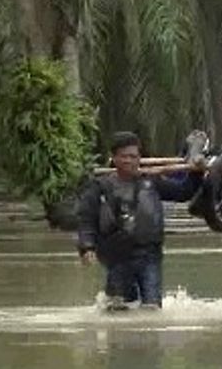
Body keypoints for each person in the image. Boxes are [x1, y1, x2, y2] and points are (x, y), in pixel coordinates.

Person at [76, 132, 203, 310]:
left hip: (149, 254)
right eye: (124, 156)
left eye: (133, 156)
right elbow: (86, 218)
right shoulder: (100, 187)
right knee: (117, 308)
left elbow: (183, 193)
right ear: (114, 158)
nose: (129, 161)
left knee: (151, 309)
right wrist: (87, 246)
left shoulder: (151, 181)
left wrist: (196, 173)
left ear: (139, 158)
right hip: (116, 256)